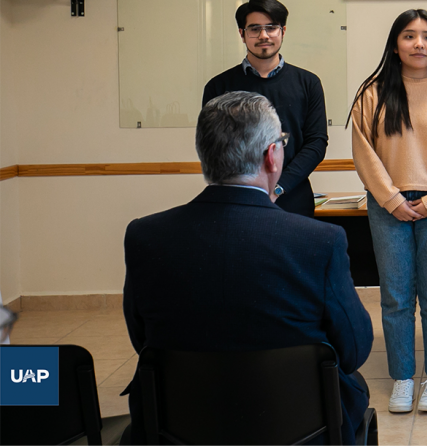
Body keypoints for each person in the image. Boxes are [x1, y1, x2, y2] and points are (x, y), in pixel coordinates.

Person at [122, 92, 373, 444]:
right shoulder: (319, 241)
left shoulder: (145, 236)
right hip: (300, 429)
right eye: (282, 142)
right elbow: (353, 350)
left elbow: (142, 339)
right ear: (273, 156)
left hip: (178, 428)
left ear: (203, 155)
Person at [347, 9, 427, 414]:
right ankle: (403, 376)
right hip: (389, 206)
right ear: (395, 43)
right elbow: (363, 152)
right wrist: (392, 200)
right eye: (409, 36)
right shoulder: (372, 91)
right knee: (396, 297)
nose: (419, 44)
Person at [202, 0, 328, 217]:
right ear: (242, 34)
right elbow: (214, 147)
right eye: (254, 29)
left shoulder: (308, 83)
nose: (264, 35)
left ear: (283, 31)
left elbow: (316, 143)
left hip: (293, 200)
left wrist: (279, 188)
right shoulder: (219, 87)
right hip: (236, 202)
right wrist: (249, 190)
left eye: (271, 27)